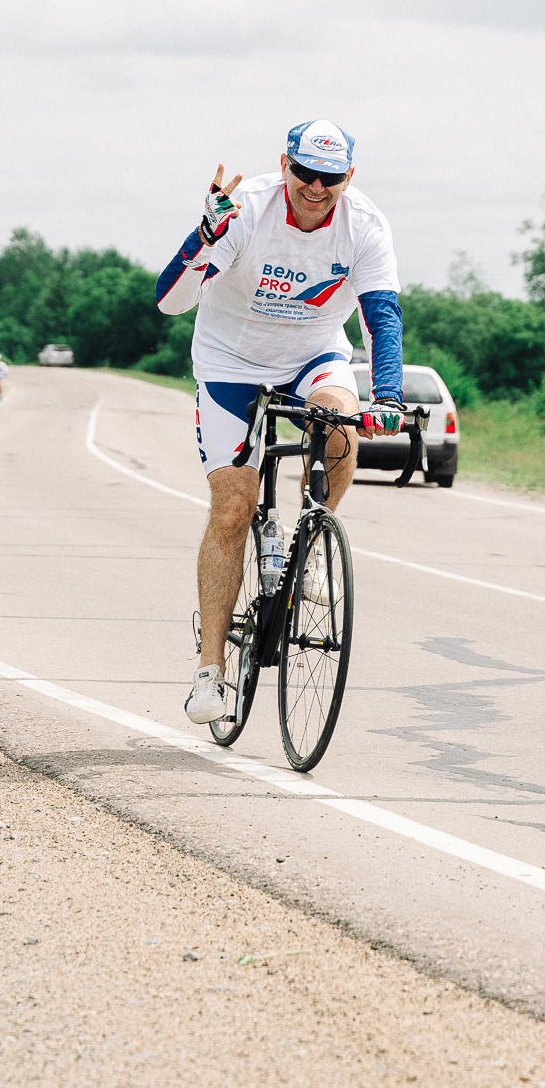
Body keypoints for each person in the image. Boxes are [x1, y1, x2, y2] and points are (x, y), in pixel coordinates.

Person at [154, 118, 406, 726]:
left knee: (344, 422)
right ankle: (209, 671)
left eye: (331, 178)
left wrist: (390, 396)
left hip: (313, 351)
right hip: (229, 357)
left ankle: (315, 542)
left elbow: (383, 316)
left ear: (350, 177)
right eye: (305, 174)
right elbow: (170, 300)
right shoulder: (246, 209)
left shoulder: (364, 225)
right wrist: (203, 237)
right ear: (285, 165)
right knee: (233, 506)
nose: (316, 188)